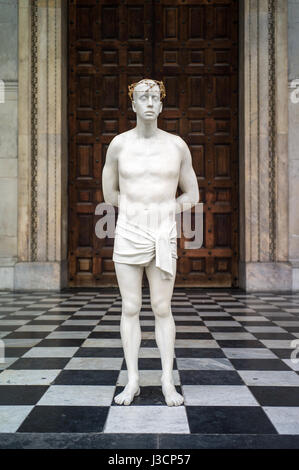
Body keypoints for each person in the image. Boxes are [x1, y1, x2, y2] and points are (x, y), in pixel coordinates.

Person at [102, 78, 199, 406]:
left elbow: (192, 194)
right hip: (129, 234)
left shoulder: (176, 146)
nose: (148, 102)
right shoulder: (119, 145)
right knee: (130, 307)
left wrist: (166, 208)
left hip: (162, 235)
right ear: (132, 105)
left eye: (153, 97)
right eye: (142, 97)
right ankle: (132, 380)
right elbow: (108, 193)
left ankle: (166, 380)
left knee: (161, 307)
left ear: (161, 104)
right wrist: (133, 211)